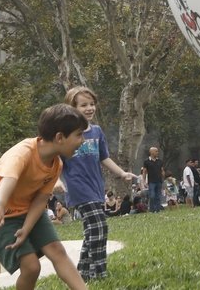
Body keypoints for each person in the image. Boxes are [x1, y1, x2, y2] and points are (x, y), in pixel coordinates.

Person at [0, 104, 88, 290]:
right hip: (0, 216)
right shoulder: (23, 152)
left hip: (29, 210)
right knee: (31, 267)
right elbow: (9, 177)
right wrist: (0, 204)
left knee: (57, 250)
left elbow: (41, 199)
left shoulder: (56, 164)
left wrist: (27, 228)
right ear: (59, 137)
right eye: (78, 135)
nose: (82, 140)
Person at [60, 86, 138, 282]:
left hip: (96, 187)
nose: (89, 108)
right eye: (83, 105)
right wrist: (57, 181)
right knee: (99, 226)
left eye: (92, 104)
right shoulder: (65, 134)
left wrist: (122, 173)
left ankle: (83, 273)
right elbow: (56, 162)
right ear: (72, 108)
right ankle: (99, 272)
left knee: (92, 230)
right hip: (78, 188)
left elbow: (104, 157)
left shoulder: (96, 131)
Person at [141, 146, 166, 213]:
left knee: (158, 196)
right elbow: (144, 172)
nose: (157, 152)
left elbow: (162, 170)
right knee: (152, 195)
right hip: (151, 181)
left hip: (159, 181)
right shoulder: (146, 161)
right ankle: (152, 209)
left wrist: (163, 176)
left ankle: (158, 209)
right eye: (156, 151)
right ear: (151, 152)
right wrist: (144, 181)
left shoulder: (160, 161)